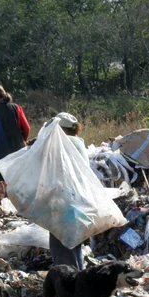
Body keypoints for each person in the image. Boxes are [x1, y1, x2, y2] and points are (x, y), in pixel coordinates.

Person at [45, 112, 87, 270]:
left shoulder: (63, 143)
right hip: (77, 201)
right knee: (74, 244)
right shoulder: (78, 142)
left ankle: (69, 284)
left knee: (61, 245)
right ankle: (78, 279)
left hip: (63, 201)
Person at [0, 83, 31, 182]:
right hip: (20, 152)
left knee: (4, 185)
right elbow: (27, 128)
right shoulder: (16, 108)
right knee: (21, 182)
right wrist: (23, 141)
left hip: (2, 155)